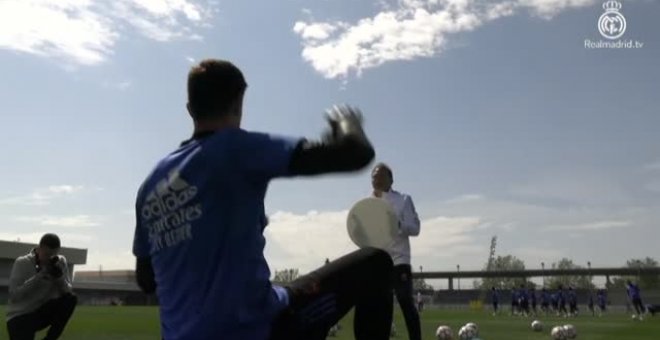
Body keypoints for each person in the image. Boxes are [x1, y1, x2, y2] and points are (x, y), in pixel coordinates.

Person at [132, 59, 394, 340]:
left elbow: (146, 280)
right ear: (238, 104)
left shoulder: (150, 186)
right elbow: (354, 153)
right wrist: (346, 121)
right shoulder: (234, 147)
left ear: (190, 109)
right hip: (258, 329)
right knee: (376, 264)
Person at [370, 162, 422, 340]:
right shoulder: (368, 204)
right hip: (379, 261)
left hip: (399, 260)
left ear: (390, 180)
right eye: (373, 177)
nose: (375, 179)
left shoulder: (403, 200)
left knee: (405, 302)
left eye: (380, 176)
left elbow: (415, 228)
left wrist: (397, 224)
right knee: (383, 308)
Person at [6, 233, 78, 340]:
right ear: (39, 249)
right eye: (46, 255)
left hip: (41, 312)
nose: (48, 259)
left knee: (71, 299)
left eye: (52, 256)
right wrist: (39, 276)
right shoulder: (22, 262)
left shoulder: (60, 261)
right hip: (20, 315)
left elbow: (67, 292)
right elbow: (14, 295)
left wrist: (59, 277)